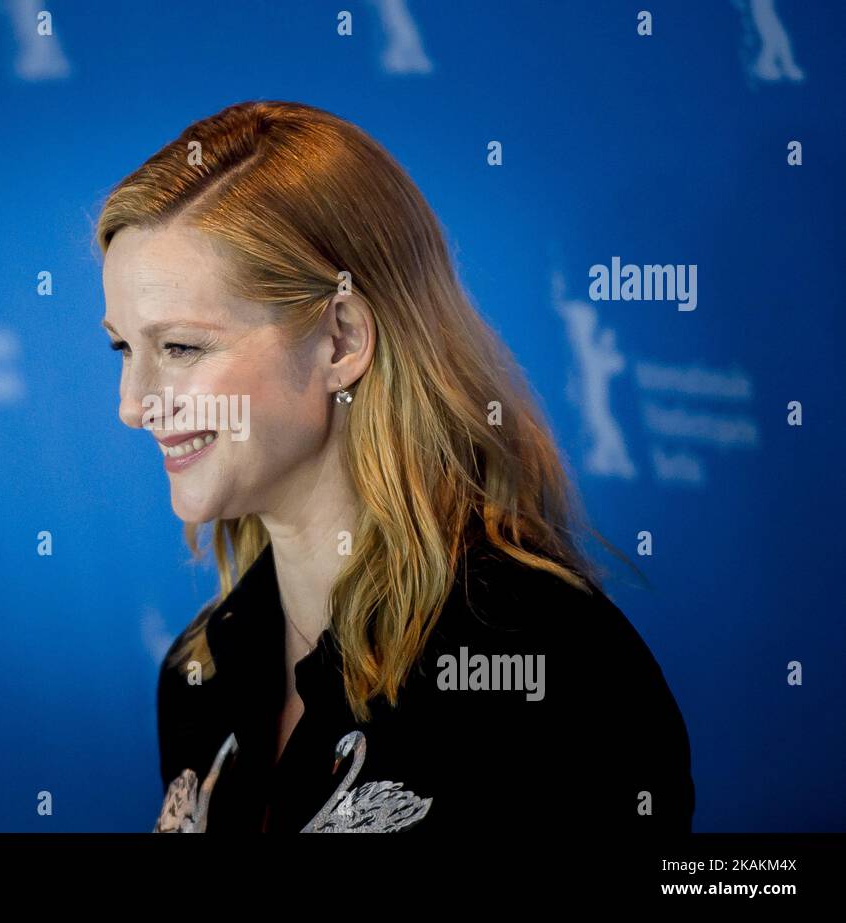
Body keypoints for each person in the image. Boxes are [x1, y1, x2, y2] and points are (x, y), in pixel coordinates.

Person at [94, 100, 694, 834]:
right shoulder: (199, 675)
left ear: (341, 339)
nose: (134, 404)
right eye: (125, 348)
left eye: (181, 348)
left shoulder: (554, 672)